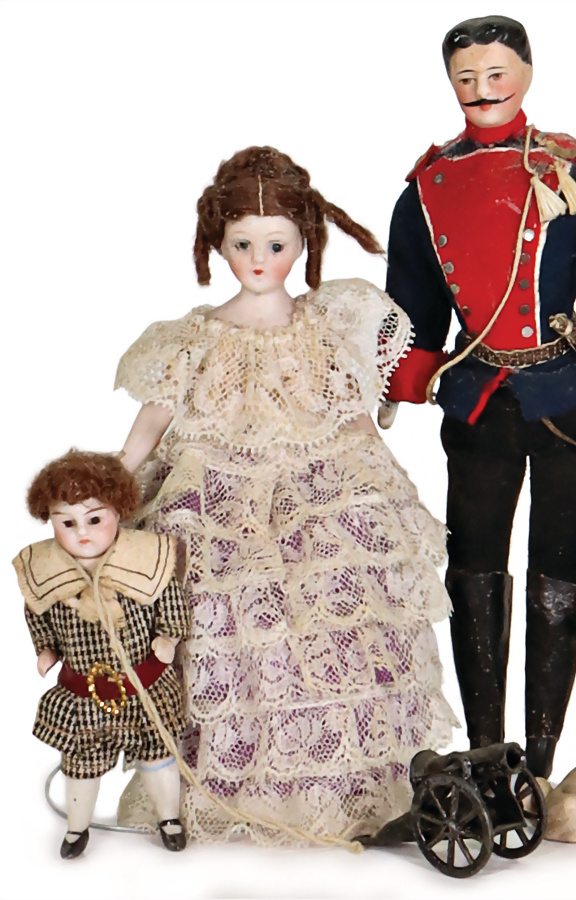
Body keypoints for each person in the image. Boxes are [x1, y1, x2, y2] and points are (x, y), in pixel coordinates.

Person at [114, 146, 454, 844]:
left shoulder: (328, 325)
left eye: (277, 244)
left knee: (338, 608)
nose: (259, 259)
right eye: (243, 244)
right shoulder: (194, 339)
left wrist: (386, 484)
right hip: (218, 494)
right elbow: (154, 418)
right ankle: (231, 783)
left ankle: (337, 784)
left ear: (305, 243)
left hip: (317, 488)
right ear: (219, 243)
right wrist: (115, 479)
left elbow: (351, 414)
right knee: (219, 613)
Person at [382, 14, 576, 779]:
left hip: (567, 397)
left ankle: (541, 762)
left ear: (526, 73)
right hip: (479, 399)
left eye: (495, 73)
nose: (481, 89)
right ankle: (486, 751)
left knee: (561, 573)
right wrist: (401, 380)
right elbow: (413, 297)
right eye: (465, 77)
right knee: (473, 571)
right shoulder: (426, 189)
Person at [14, 450, 190, 858]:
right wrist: (45, 648)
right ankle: (77, 827)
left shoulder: (146, 561)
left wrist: (168, 637)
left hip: (143, 685)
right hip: (83, 693)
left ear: (118, 510)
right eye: (67, 522)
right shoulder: (46, 569)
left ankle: (169, 819)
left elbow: (169, 600)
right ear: (50, 520)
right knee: (80, 763)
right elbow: (37, 610)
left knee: (157, 754)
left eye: (94, 519)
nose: (82, 533)